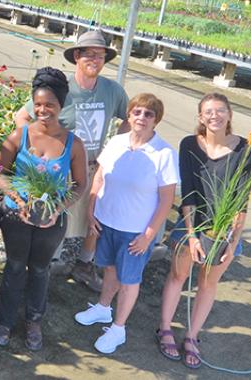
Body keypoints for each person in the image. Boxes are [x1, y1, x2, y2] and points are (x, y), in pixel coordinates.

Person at [14, 30, 130, 292]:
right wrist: (34, 147)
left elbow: (130, 119)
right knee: (54, 214)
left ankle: (84, 264)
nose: (94, 60)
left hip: (95, 165)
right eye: (89, 54)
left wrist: (113, 146)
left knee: (95, 218)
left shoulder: (112, 91)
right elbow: (22, 117)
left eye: (100, 55)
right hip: (60, 167)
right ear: (76, 56)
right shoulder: (60, 89)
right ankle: (47, 263)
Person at [157, 93, 251, 368]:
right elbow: (188, 192)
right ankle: (165, 328)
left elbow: (241, 199)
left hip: (223, 230)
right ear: (201, 117)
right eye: (208, 112)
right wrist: (191, 236)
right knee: (178, 275)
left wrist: (232, 241)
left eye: (220, 110)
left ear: (229, 114)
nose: (215, 116)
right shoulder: (189, 144)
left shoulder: (246, 149)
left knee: (208, 283)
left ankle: (191, 336)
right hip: (191, 223)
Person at [73, 93, 179, 354]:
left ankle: (118, 328)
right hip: (107, 221)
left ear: (156, 120)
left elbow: (166, 200)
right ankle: (103, 308)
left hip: (136, 231)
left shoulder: (164, 153)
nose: (142, 117)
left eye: (149, 114)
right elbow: (99, 176)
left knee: (129, 279)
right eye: (137, 112)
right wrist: (91, 210)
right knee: (109, 269)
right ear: (129, 115)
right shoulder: (117, 141)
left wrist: (149, 235)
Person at [0, 68, 88, 351]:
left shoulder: (73, 143)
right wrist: (19, 201)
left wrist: (57, 209)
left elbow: (80, 185)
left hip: (51, 221)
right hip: (17, 217)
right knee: (13, 266)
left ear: (61, 106)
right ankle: (5, 320)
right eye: (38, 105)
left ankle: (34, 320)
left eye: (50, 105)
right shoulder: (19, 136)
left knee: (40, 269)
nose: (43, 110)